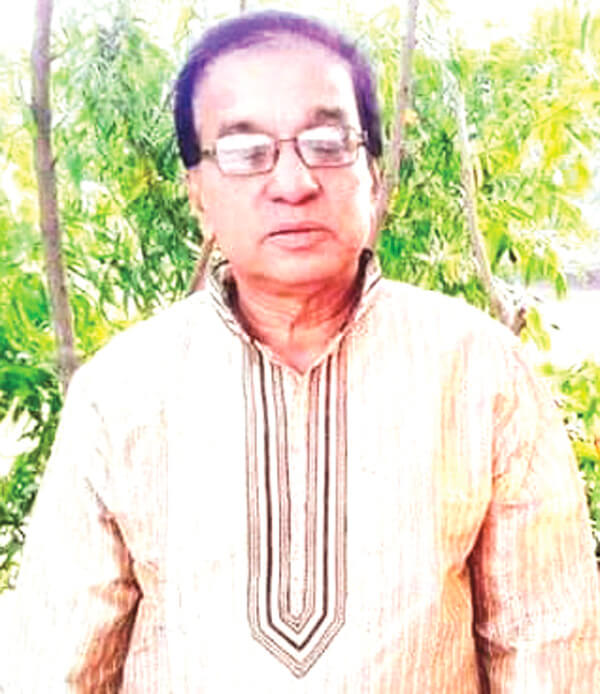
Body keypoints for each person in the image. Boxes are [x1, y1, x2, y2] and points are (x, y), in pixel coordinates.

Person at [2, 9, 599, 693]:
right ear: (198, 193)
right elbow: (58, 665)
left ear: (371, 172)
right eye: (244, 151)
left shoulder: (479, 370)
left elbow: (547, 644)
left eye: (327, 141)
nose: (293, 182)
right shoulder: (122, 391)